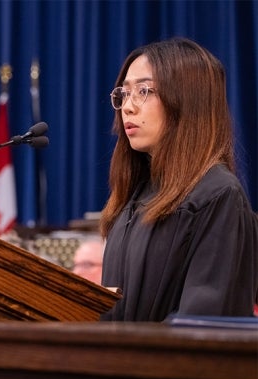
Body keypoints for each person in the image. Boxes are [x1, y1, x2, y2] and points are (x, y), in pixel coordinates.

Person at [100, 37, 258, 321]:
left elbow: (205, 325)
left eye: (144, 91)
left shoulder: (217, 196)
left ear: (187, 100)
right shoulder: (132, 198)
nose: (128, 107)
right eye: (123, 94)